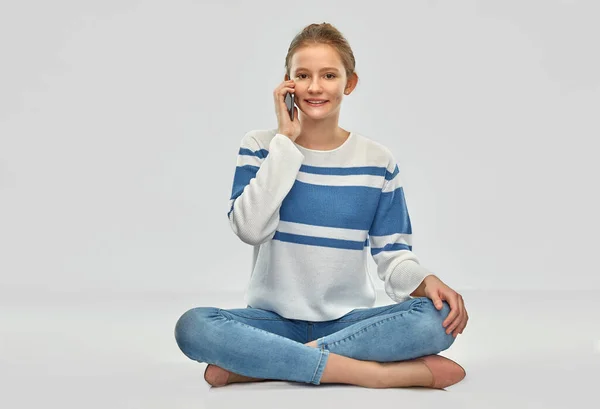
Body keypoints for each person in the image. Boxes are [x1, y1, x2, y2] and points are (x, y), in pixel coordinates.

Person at [174, 22, 469, 389]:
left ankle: (261, 363)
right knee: (194, 327)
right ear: (287, 84)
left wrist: (425, 281)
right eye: (303, 75)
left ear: (350, 83)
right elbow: (250, 230)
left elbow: (393, 256)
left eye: (329, 75)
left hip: (349, 321)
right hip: (272, 320)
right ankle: (370, 375)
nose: (315, 87)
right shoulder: (263, 147)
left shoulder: (377, 161)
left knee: (433, 319)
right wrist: (285, 142)